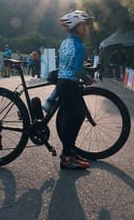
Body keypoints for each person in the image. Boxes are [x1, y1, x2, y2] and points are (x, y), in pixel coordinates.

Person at [42, 10, 95, 170]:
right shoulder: (79, 45)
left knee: (71, 117)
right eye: (86, 26)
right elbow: (77, 69)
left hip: (62, 83)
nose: (88, 30)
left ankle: (70, 151)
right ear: (78, 27)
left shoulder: (65, 42)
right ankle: (66, 157)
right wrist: (88, 79)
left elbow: (67, 63)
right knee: (74, 118)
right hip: (71, 84)